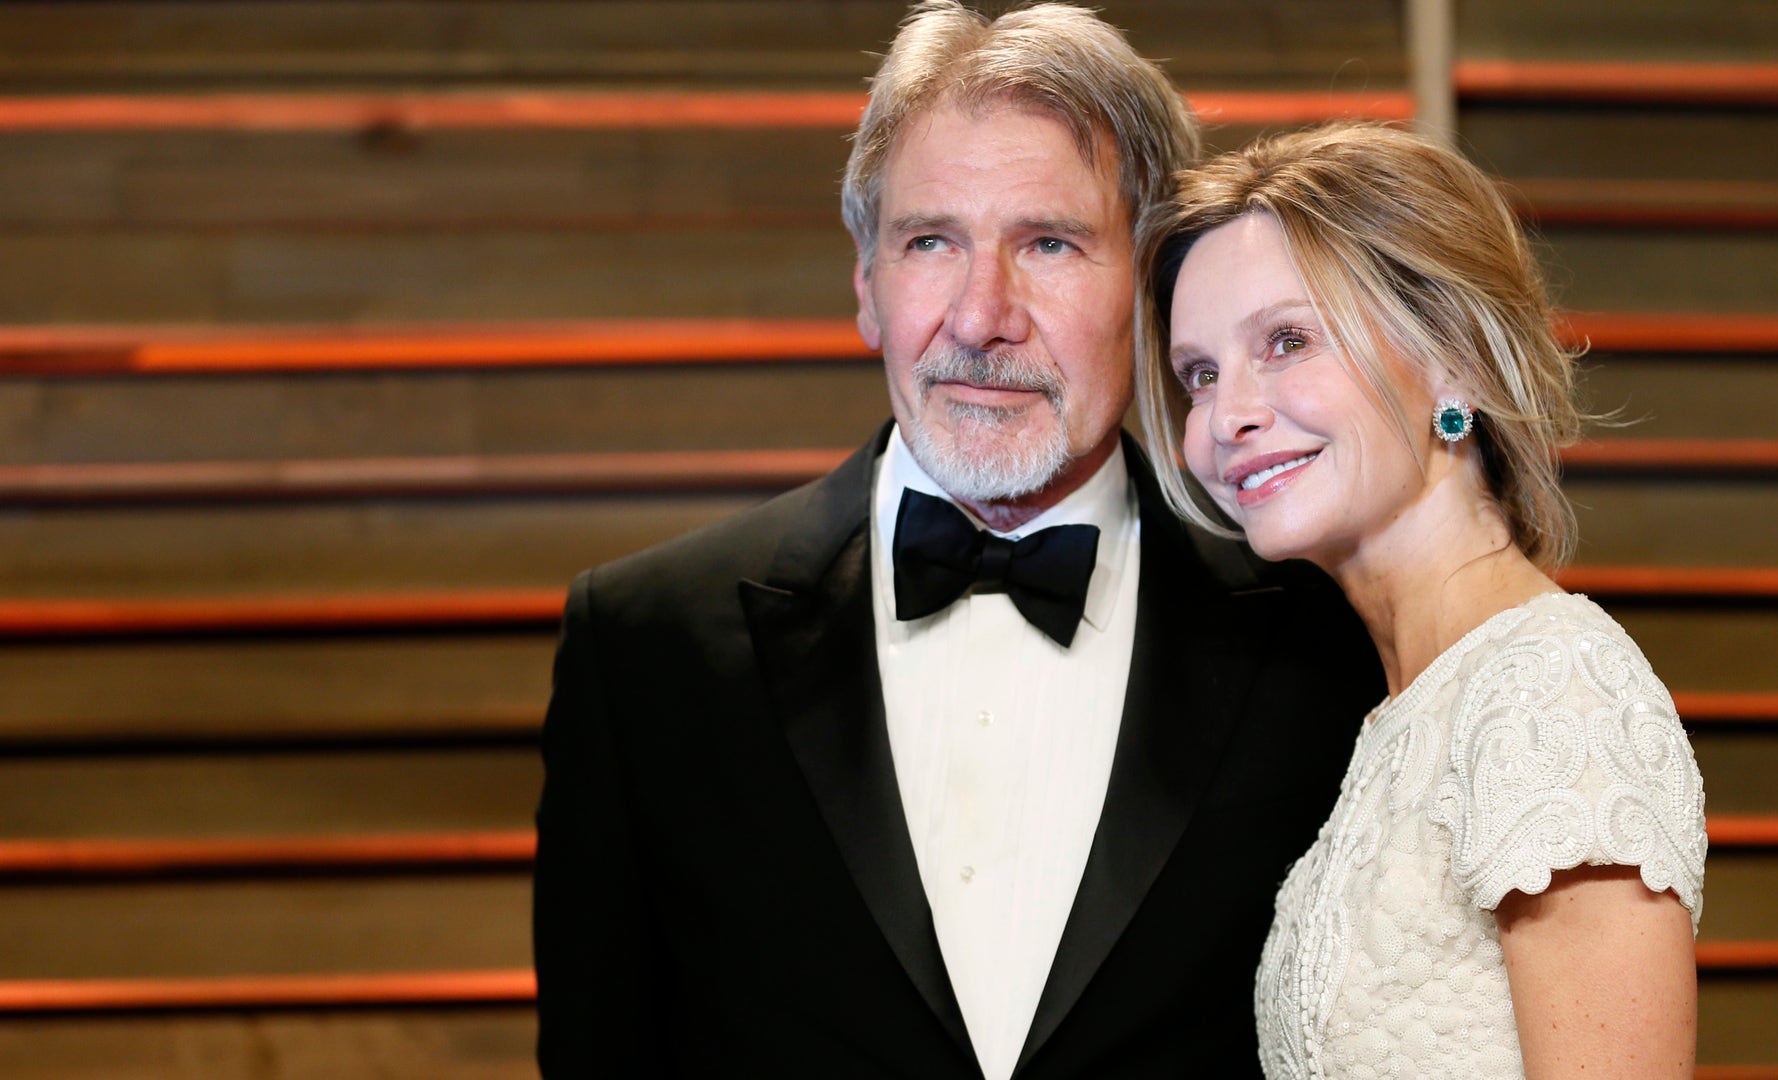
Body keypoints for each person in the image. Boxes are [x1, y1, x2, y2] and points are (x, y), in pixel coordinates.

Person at [533, 4, 1382, 1078]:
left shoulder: (1324, 635)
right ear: (866, 287)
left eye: (1049, 243)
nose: (981, 317)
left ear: (1152, 290)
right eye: (930, 241)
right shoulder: (646, 644)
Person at [1137, 121, 1709, 1078]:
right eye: (1199, 374)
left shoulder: (1549, 694)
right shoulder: (1405, 708)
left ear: (1455, 361)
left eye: (1286, 341)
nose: (1223, 418)